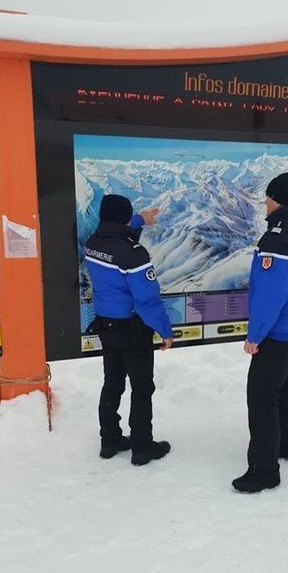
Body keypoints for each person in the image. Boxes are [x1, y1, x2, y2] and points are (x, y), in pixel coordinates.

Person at [232, 173, 288, 493]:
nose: (265, 204)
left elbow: (271, 293)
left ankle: (263, 469)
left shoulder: (276, 238)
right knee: (285, 385)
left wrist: (255, 334)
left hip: (276, 330)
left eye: (268, 198)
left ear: (277, 199)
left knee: (261, 398)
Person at [85, 194, 173, 464]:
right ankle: (142, 447)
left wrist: (141, 220)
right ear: (124, 217)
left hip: (106, 325)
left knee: (112, 385)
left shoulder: (93, 243)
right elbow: (147, 300)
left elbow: (117, 231)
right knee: (142, 387)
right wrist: (165, 331)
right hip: (133, 330)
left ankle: (109, 440)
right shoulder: (133, 254)